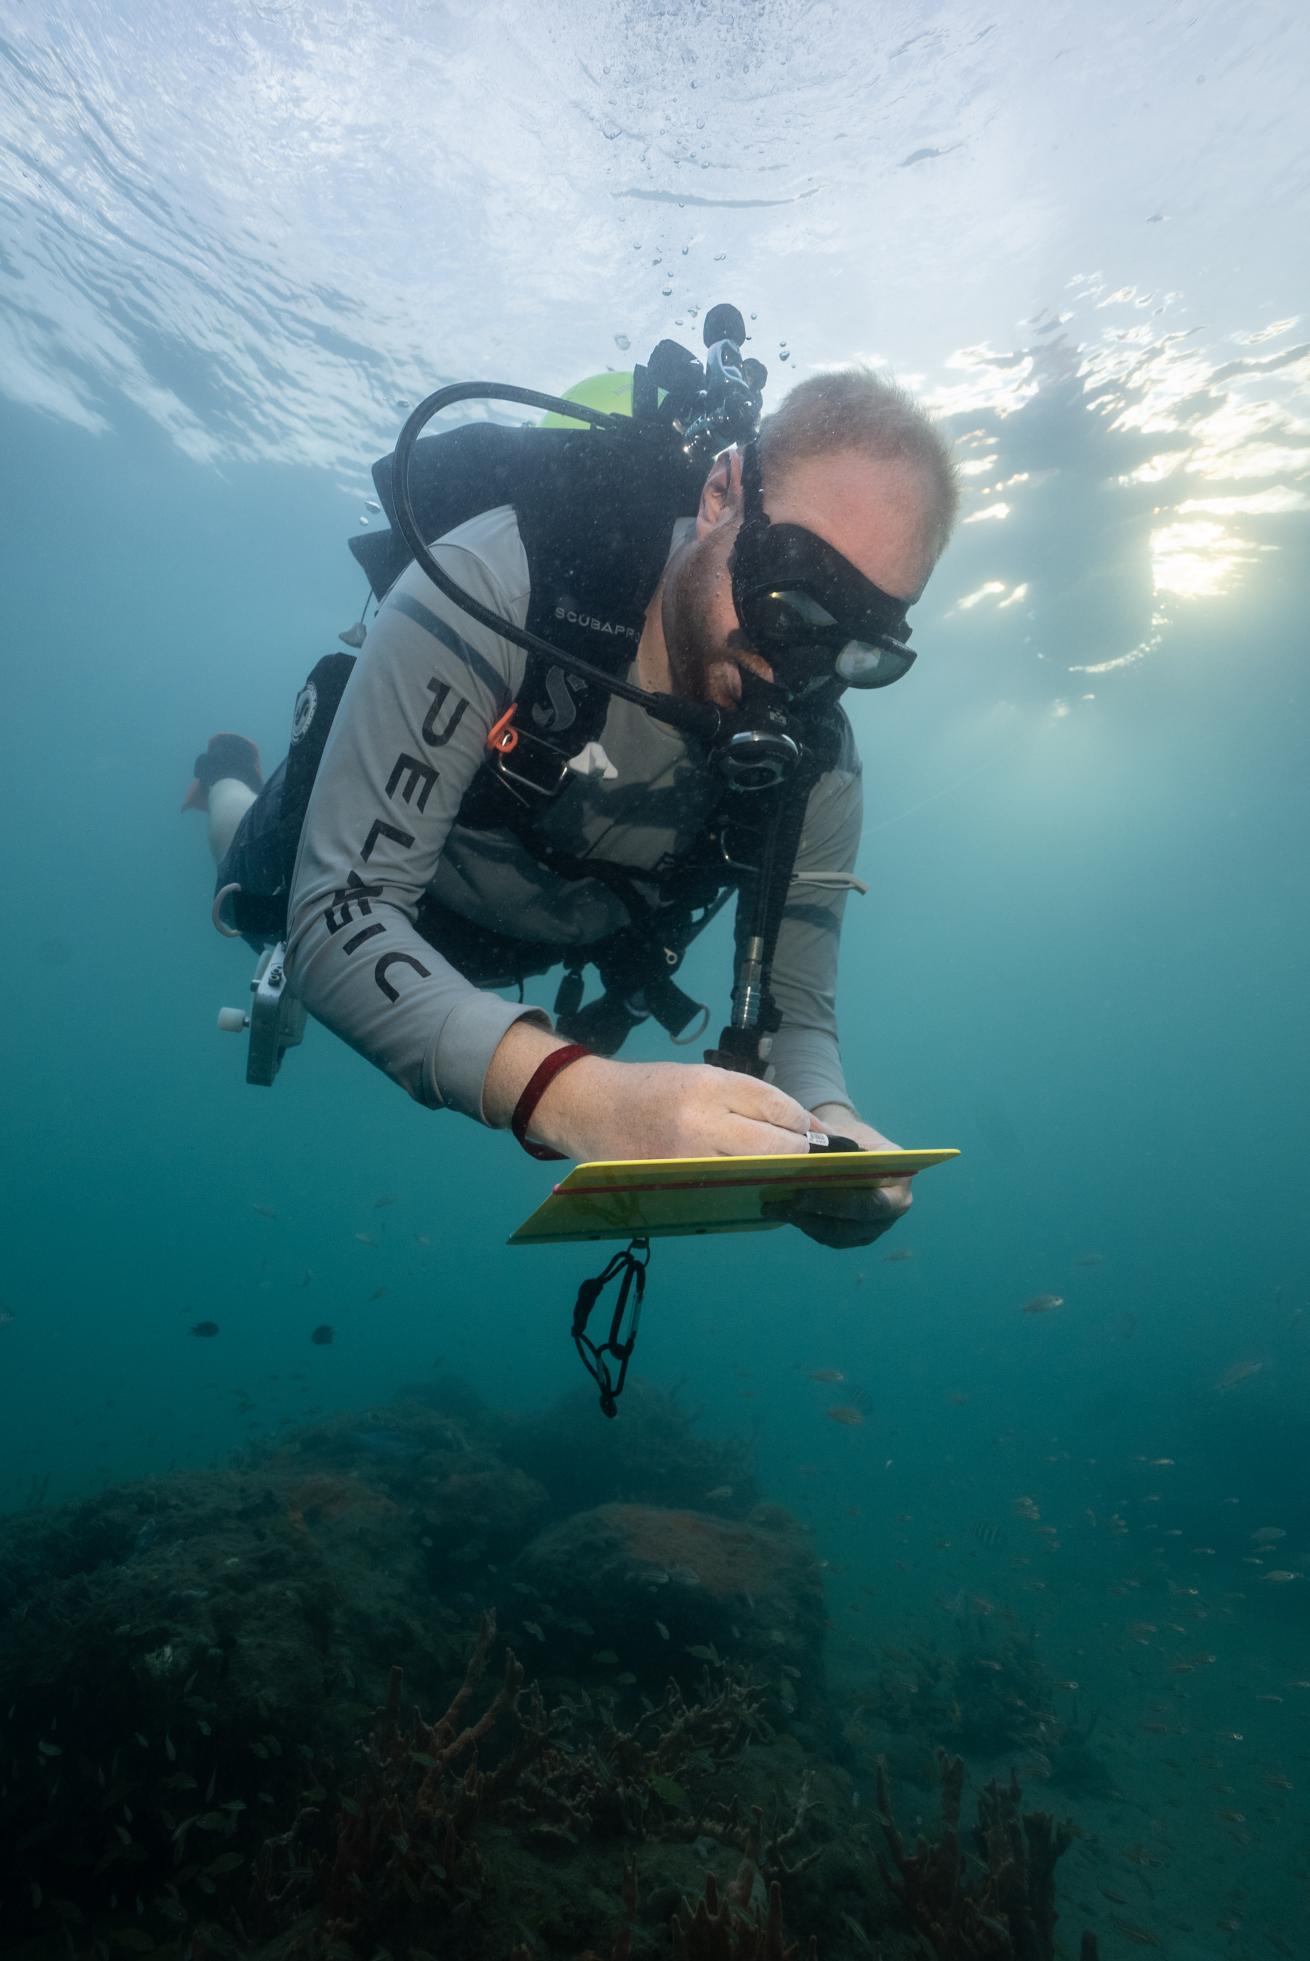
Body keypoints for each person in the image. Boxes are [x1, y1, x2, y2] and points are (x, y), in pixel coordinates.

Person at [186, 368, 957, 1249]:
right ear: (720, 498)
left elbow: (798, 1015)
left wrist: (832, 1128)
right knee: (249, 884)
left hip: (544, 942)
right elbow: (340, 911)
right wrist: (583, 1097)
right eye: (792, 595)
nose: (801, 670)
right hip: (372, 874)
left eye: (858, 644)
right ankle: (223, 772)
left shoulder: (817, 756)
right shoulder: (497, 582)